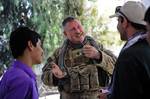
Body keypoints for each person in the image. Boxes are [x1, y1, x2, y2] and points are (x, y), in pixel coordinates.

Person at [42, 16, 116, 99]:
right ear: (65, 34)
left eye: (79, 27)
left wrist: (98, 55)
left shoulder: (97, 47)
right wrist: (56, 76)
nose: (77, 31)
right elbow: (44, 76)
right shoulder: (59, 54)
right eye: (72, 29)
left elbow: (117, 67)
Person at [99, 1, 150, 99]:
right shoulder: (145, 46)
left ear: (124, 21)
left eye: (118, 20)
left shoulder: (129, 55)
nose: (117, 26)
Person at [0, 27, 43, 99]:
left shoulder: (14, 73)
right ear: (30, 45)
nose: (42, 51)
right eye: (40, 45)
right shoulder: (22, 79)